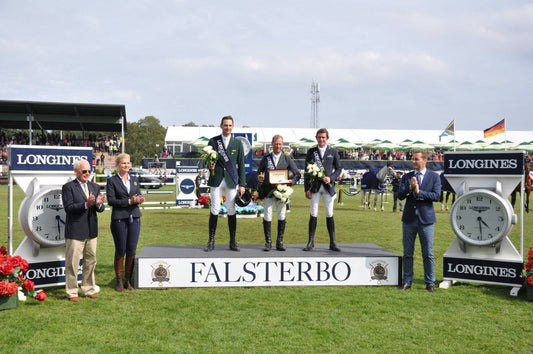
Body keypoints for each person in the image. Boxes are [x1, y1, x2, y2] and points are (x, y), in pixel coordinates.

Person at [62, 159, 106, 301]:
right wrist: (86, 204)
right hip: (75, 232)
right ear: (76, 172)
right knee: (72, 264)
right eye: (84, 171)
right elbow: (69, 208)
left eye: (89, 171)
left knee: (90, 261)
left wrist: (98, 205)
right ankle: (72, 292)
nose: (87, 174)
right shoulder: (68, 187)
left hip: (91, 231)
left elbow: (100, 209)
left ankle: (88, 289)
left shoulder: (94, 186)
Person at [398, 150, 441, 292]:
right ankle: (407, 281)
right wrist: (410, 188)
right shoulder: (407, 177)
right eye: (412, 159)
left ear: (424, 161)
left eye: (416, 159)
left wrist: (419, 192)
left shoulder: (434, 177)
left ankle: (430, 282)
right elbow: (400, 195)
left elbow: (436, 196)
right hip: (409, 219)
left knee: (428, 253)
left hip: (426, 220)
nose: (413, 161)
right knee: (408, 253)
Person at [204, 115, 246, 252]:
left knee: (231, 209)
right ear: (221, 126)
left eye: (230, 125)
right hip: (216, 179)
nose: (227, 127)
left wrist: (242, 184)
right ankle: (211, 241)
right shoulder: (213, 141)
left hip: (231, 180)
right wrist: (209, 166)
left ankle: (232, 241)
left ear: (232, 127)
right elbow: (207, 159)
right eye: (225, 125)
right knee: (215, 208)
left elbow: (241, 165)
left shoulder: (237, 143)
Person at [106, 153, 145, 292]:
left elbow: (138, 193)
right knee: (121, 250)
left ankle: (128, 281)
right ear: (117, 165)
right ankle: (119, 281)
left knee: (131, 250)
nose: (126, 165)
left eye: (128, 163)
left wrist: (139, 199)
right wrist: (129, 201)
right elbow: (111, 201)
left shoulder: (134, 179)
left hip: (134, 217)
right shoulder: (112, 181)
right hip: (119, 219)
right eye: (123, 163)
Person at [257, 135, 301, 251]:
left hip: (281, 192)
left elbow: (297, 173)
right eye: (276, 144)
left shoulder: (287, 159)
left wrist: (292, 182)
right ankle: (268, 242)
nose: (278, 146)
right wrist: (259, 177)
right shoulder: (266, 158)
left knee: (281, 215)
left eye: (280, 144)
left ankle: (279, 242)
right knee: (267, 215)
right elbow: (259, 172)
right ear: (272, 144)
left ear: (283, 145)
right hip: (268, 191)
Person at [303, 128, 342, 252]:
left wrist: (331, 178)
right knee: (313, 213)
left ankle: (332, 242)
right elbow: (307, 171)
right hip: (314, 187)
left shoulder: (333, 152)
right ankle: (310, 241)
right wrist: (306, 188)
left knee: (329, 213)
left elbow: (339, 169)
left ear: (327, 138)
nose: (321, 139)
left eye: (323, 137)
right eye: (319, 137)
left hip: (327, 187)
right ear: (316, 138)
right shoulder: (311, 152)